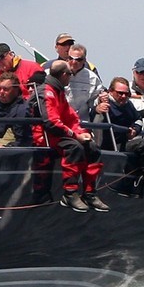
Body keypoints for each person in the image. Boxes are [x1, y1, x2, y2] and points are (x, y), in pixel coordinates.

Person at [34, 60, 109, 213]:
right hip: (44, 135)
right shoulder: (47, 92)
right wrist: (75, 136)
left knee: (92, 148)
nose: (71, 76)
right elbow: (51, 122)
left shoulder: (59, 91)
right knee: (74, 147)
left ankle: (89, 193)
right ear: (63, 75)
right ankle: (70, 193)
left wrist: (82, 133)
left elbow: (71, 118)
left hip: (59, 133)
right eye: (69, 74)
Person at [91, 76, 144, 200]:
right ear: (111, 91)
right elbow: (92, 113)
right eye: (119, 93)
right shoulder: (103, 103)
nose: (123, 96)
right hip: (110, 145)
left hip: (123, 141)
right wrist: (97, 109)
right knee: (141, 145)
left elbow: (137, 118)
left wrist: (135, 130)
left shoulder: (127, 104)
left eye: (126, 94)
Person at [66, 44, 106, 120]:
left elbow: (94, 101)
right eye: (71, 58)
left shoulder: (92, 78)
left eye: (78, 59)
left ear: (84, 60)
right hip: (60, 121)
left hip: (82, 123)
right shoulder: (57, 73)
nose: (74, 62)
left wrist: (100, 100)